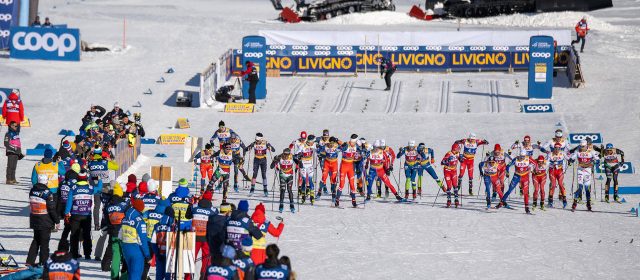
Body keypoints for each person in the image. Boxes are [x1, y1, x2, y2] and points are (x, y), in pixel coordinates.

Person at [65, 170, 102, 259]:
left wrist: (66, 213)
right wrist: (99, 180)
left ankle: (73, 253)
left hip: (75, 214)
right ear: (86, 178)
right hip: (86, 215)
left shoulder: (73, 188)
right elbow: (99, 188)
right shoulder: (90, 188)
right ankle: (87, 254)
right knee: (86, 234)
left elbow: (69, 202)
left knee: (74, 234)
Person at [27, 175, 59, 266]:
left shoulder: (32, 190)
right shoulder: (47, 193)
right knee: (44, 243)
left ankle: (30, 261)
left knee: (36, 240)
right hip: (45, 220)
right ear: (46, 181)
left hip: (34, 218)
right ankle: (44, 263)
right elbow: (51, 209)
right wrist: (57, 220)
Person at [88, 146, 119, 230]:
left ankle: (96, 225)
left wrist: (96, 178)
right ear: (101, 154)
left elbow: (90, 175)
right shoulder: (105, 162)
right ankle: (107, 223)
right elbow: (117, 167)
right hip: (105, 185)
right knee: (107, 204)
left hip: (96, 185)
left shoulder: (90, 163)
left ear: (94, 154)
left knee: (97, 205)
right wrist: (111, 160)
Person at [120, 199, 151, 280]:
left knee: (131, 273)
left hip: (126, 249)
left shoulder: (124, 218)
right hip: (136, 250)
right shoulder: (139, 221)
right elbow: (143, 240)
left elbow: (120, 235)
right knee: (136, 275)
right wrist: (147, 255)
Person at [192, 190, 218, 275]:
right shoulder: (214, 210)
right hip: (206, 237)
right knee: (206, 259)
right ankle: (203, 276)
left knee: (191, 257)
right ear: (210, 199)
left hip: (194, 237)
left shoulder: (194, 206)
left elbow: (187, 215)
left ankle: (187, 277)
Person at [570, 140, 600, 211]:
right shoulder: (577, 151)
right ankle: (574, 203)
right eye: (580, 146)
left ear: (586, 145)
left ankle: (588, 204)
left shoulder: (591, 151)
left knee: (587, 189)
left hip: (588, 171)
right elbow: (573, 157)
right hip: (580, 170)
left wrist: (596, 161)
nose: (581, 148)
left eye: (583, 146)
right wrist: (571, 160)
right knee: (580, 187)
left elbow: (598, 159)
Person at [150, 201, 174, 280]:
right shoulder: (174, 225)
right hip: (170, 254)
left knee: (159, 275)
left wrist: (157, 253)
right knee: (168, 274)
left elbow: (153, 241)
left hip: (159, 253)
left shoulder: (157, 225)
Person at [337, 134, 360, 207]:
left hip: (350, 167)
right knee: (342, 184)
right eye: (352, 142)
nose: (353, 144)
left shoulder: (357, 145)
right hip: (344, 166)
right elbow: (340, 148)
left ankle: (354, 200)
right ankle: (337, 200)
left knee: (352, 184)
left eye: (354, 143)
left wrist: (363, 152)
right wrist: (338, 142)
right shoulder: (346, 145)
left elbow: (362, 151)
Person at [270, 148, 297, 213]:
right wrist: (274, 161)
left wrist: (299, 160)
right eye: (285, 154)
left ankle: (292, 206)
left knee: (289, 190)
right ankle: (281, 205)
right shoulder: (280, 157)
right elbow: (271, 167)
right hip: (282, 174)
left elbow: (300, 164)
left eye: (287, 154)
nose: (286, 156)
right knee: (282, 190)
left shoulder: (292, 156)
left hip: (290, 175)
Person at [294, 134, 318, 204]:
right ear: (310, 141)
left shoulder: (313, 145)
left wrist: (320, 153)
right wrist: (298, 157)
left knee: (310, 180)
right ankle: (303, 196)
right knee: (304, 180)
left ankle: (312, 196)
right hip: (303, 166)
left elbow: (320, 148)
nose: (313, 142)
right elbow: (295, 155)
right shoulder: (303, 146)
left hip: (310, 166)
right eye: (313, 141)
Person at [547, 143, 571, 208]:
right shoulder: (550, 154)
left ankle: (564, 201)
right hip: (552, 171)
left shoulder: (562, 153)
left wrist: (571, 159)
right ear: (554, 148)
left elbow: (569, 158)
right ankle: (550, 201)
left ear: (560, 149)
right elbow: (546, 162)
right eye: (556, 148)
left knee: (561, 184)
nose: (557, 150)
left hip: (559, 171)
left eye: (558, 148)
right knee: (553, 185)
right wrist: (552, 163)